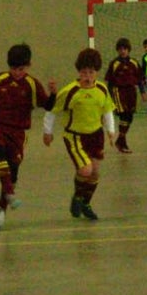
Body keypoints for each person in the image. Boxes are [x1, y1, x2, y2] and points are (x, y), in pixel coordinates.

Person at [0, 44, 55, 217]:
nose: (16, 72)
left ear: (28, 66)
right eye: (13, 68)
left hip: (18, 132)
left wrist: (53, 93)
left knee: (13, 169)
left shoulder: (32, 85)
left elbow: (48, 105)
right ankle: (10, 193)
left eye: (20, 69)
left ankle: (1, 210)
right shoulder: (0, 79)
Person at [43, 48, 118, 221]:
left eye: (91, 72)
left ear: (96, 72)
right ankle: (77, 197)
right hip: (75, 136)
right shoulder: (70, 91)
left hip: (96, 135)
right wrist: (47, 132)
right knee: (85, 170)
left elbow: (107, 111)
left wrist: (111, 131)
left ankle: (86, 203)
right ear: (79, 72)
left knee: (95, 173)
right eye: (84, 72)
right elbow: (52, 111)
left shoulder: (102, 89)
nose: (87, 76)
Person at [104, 37, 143, 153]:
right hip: (118, 91)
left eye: (125, 49)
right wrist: (109, 97)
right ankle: (122, 142)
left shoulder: (134, 63)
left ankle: (120, 140)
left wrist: (143, 92)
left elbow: (140, 79)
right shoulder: (114, 63)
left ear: (128, 50)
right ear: (117, 50)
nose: (123, 51)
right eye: (120, 49)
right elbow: (109, 81)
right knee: (123, 115)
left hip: (131, 91)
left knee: (130, 117)